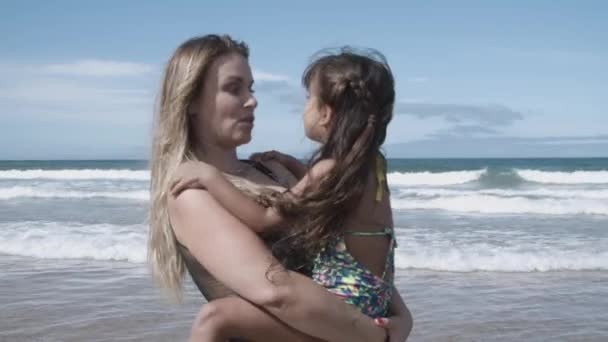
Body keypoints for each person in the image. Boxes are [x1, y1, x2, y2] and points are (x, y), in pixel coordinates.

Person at [148, 34, 411, 342]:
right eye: (234, 88)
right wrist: (378, 337)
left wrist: (401, 316)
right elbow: (278, 292)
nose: (252, 100)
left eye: (251, 87)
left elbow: (350, 252)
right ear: (189, 100)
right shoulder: (191, 192)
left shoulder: (271, 170)